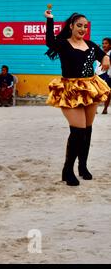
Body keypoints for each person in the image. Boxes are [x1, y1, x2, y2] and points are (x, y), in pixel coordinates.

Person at [45, 10, 110, 186]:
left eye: (85, 26)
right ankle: (68, 170)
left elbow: (102, 54)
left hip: (90, 88)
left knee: (87, 130)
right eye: (79, 25)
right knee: (78, 130)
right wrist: (50, 20)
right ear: (71, 26)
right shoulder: (63, 44)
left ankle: (83, 166)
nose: (82, 29)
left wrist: (105, 58)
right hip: (70, 90)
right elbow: (49, 41)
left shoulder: (90, 44)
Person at [95, 37, 111, 114]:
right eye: (103, 43)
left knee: (108, 92)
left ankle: (105, 109)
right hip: (98, 74)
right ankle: (95, 108)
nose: (104, 45)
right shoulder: (99, 52)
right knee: (96, 92)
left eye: (106, 43)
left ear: (110, 45)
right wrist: (95, 49)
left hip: (108, 74)